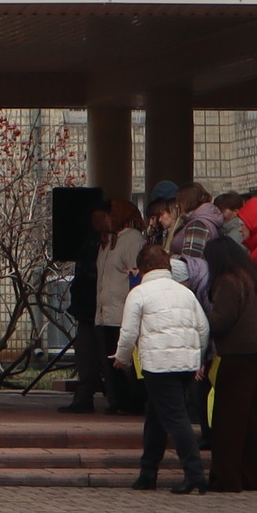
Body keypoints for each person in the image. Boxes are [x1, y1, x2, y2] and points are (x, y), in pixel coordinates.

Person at [118, 239, 209, 495]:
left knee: (175, 419)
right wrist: (197, 357)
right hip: (186, 364)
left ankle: (195, 474)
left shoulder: (139, 293)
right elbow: (203, 328)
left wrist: (122, 358)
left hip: (159, 365)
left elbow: (128, 333)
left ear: (142, 268)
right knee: (156, 417)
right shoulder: (185, 292)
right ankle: (148, 472)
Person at [76, 200, 146, 416]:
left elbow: (137, 273)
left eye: (106, 216)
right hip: (104, 313)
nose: (101, 221)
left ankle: (132, 402)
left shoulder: (132, 239)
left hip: (122, 312)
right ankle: (118, 400)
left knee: (125, 362)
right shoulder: (106, 242)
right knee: (110, 363)